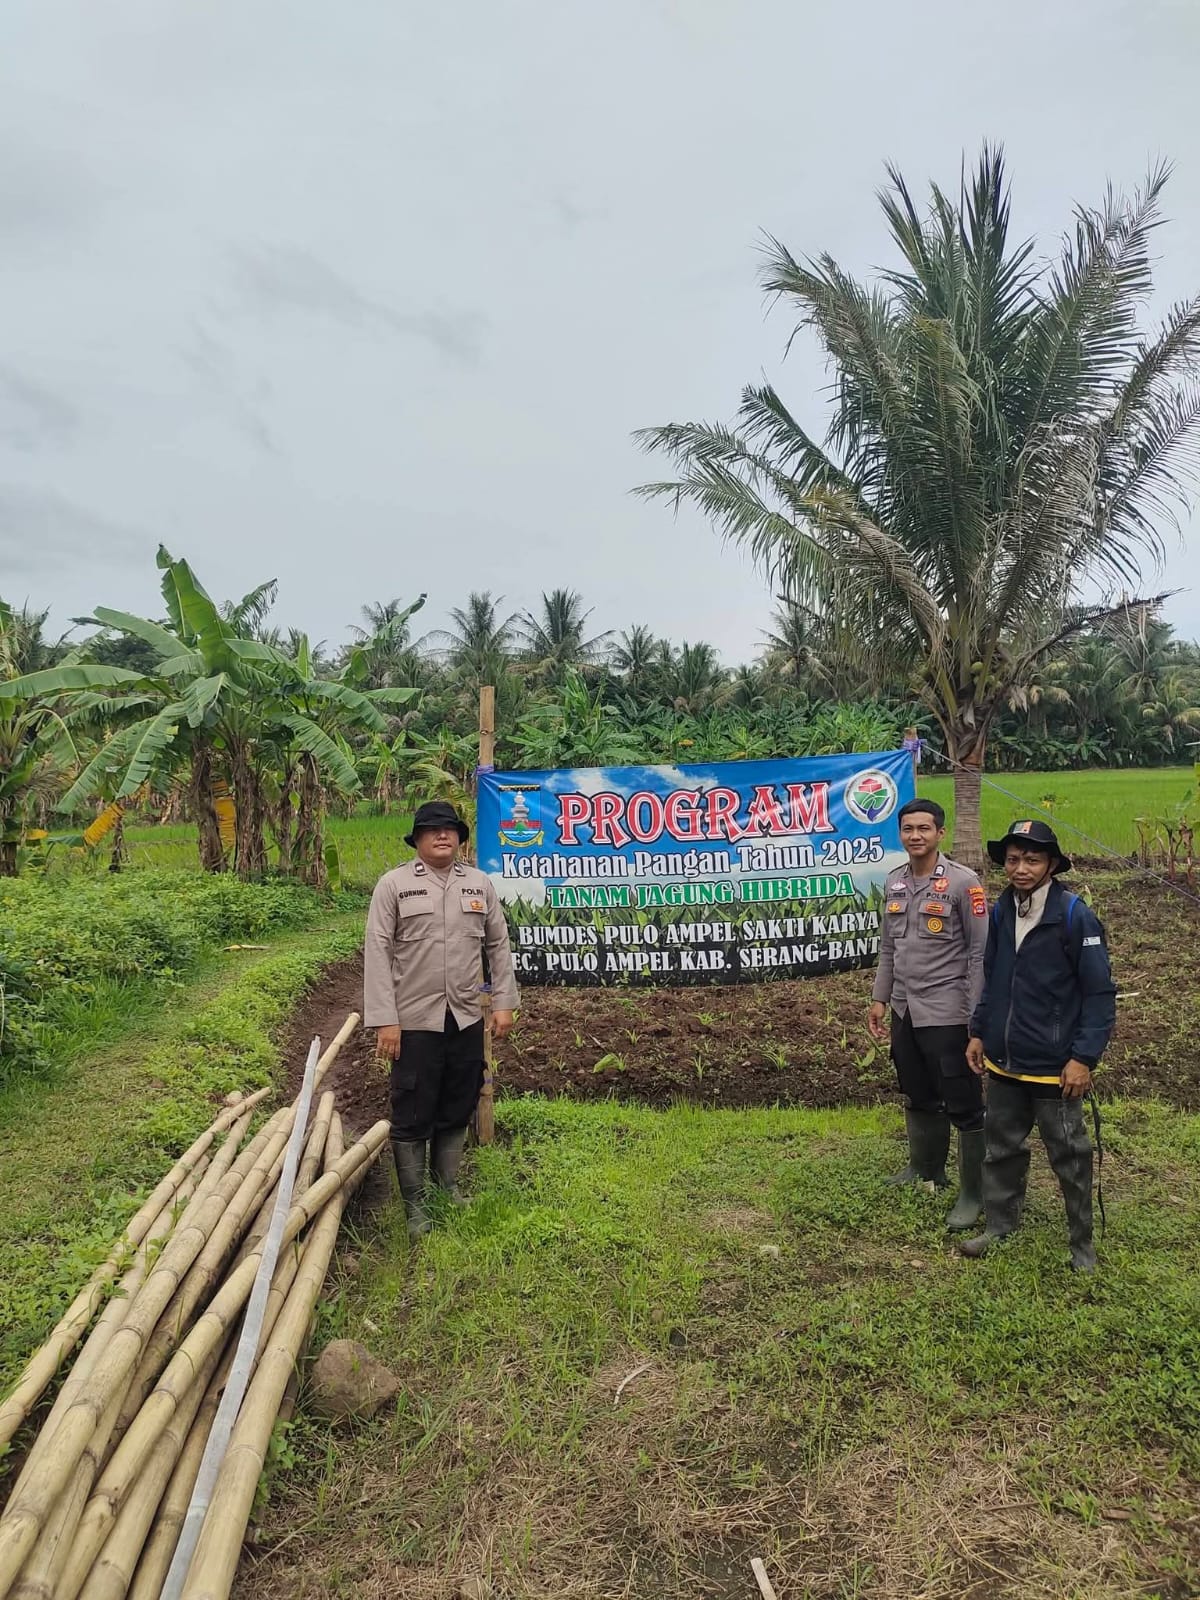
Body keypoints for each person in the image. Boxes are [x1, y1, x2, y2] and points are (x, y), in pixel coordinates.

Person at [959, 820, 1115, 1272]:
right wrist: (980, 1031)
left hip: (1054, 1066)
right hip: (1006, 1061)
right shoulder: (1002, 910)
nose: (1020, 868)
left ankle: (1082, 1245)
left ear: (1051, 864)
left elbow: (1099, 993)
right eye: (1013, 859)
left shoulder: (1073, 916)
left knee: (1070, 1156)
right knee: (1001, 1149)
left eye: (1031, 859)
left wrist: (1083, 1058)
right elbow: (993, 978)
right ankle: (1000, 1225)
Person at [364, 799, 518, 1242]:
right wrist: (385, 1020)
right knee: (412, 1109)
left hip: (466, 1017)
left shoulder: (479, 884)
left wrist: (504, 1002)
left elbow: (497, 945)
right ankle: (416, 1207)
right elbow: (377, 951)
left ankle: (446, 1189)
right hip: (413, 1020)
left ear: (460, 838)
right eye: (433, 830)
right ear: (417, 839)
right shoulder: (394, 885)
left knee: (457, 1101)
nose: (443, 835)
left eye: (450, 829)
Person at [868, 797, 989, 1230]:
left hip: (947, 1011)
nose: (915, 835)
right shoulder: (895, 882)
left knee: (963, 1102)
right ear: (900, 834)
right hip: (905, 1009)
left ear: (940, 833)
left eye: (924, 828)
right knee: (918, 1091)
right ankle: (925, 1169)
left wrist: (977, 1019)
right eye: (908, 828)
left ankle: (974, 1193)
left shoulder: (963, 883)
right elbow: (889, 947)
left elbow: (979, 954)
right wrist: (880, 998)